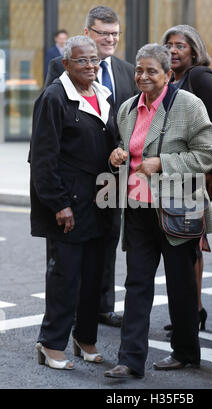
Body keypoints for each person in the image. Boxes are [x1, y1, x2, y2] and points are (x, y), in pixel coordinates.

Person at [104, 43, 212, 379]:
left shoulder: (188, 104)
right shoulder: (127, 108)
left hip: (178, 207)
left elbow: (208, 153)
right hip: (139, 208)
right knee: (136, 282)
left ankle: (185, 352)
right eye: (139, 70)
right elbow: (128, 150)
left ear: (168, 75)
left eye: (151, 71)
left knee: (180, 284)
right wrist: (117, 157)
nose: (142, 76)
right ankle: (130, 359)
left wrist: (164, 163)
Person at [45, 6, 138, 328]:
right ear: (88, 33)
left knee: (107, 240)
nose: (110, 39)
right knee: (67, 251)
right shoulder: (60, 67)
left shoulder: (127, 71)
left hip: (112, 176)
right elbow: (50, 128)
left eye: (115, 34)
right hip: (74, 178)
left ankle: (101, 306)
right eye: (103, 33)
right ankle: (66, 310)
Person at [29, 36, 117, 369]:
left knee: (94, 276)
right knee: (65, 277)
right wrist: (58, 203)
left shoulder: (104, 95)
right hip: (68, 204)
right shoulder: (53, 97)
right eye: (82, 61)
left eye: (94, 60)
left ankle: (86, 338)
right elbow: (43, 157)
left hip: (101, 202)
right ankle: (51, 343)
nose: (91, 66)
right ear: (66, 64)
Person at [161, 25, 212, 336]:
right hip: (178, 174)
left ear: (194, 50)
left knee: (187, 243)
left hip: (199, 174)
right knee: (189, 242)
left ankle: (191, 313)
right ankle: (194, 309)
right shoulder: (172, 80)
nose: (174, 51)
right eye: (169, 46)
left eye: (180, 46)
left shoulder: (200, 77)